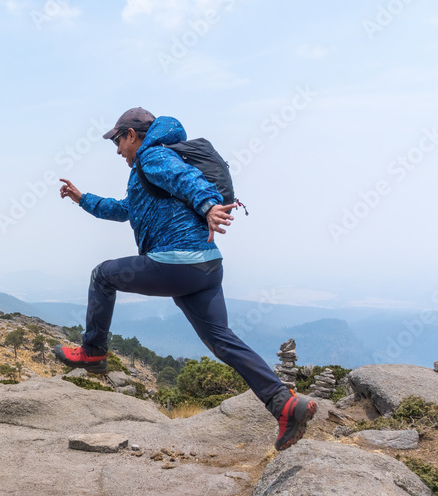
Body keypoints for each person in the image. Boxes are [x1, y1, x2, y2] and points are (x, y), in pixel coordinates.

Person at [54, 107, 316, 451]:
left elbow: (184, 179)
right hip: (206, 267)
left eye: (118, 142)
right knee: (222, 340)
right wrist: (82, 199)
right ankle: (284, 403)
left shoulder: (153, 157)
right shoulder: (148, 170)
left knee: (103, 275)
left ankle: (92, 352)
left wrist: (208, 206)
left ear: (131, 135)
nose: (118, 151)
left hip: (175, 264)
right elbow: (124, 209)